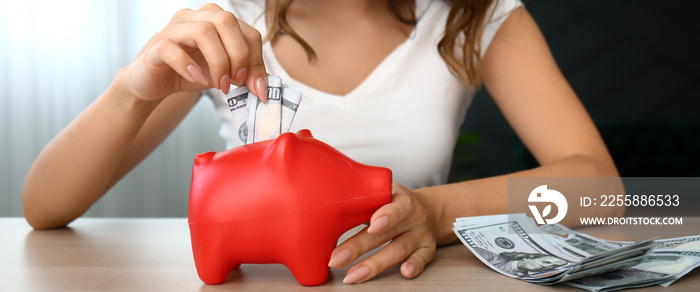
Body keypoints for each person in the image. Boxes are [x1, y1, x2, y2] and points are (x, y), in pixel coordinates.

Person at [22, 0, 624, 285]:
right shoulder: (231, 22)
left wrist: (438, 210)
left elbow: (601, 187)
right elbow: (43, 207)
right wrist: (133, 90)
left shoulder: (474, 16)